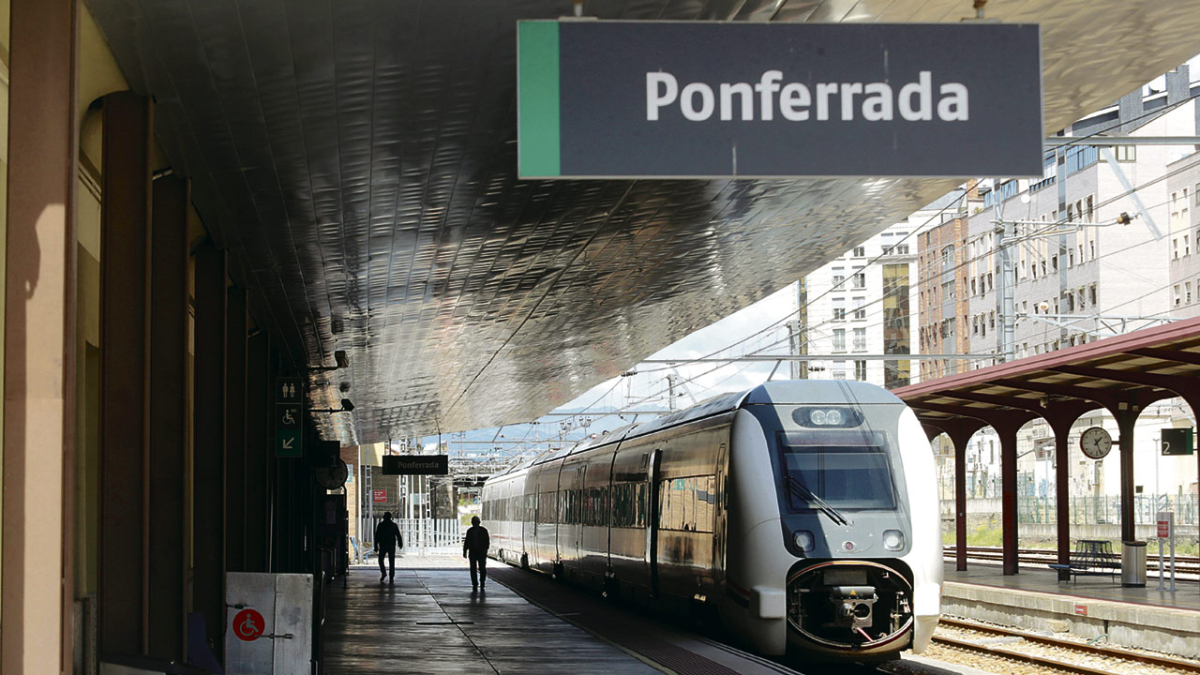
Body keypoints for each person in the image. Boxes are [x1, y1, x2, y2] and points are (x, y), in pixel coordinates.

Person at [463, 515, 490, 589]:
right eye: (474, 522)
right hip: (473, 552)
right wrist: (465, 551)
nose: (475, 524)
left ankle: (482, 582)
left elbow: (487, 541)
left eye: (476, 522)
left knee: (482, 568)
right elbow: (467, 542)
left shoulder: (483, 531)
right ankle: (475, 583)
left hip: (481, 552)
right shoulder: (470, 531)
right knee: (473, 568)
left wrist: (485, 549)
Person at [374, 512, 402, 583]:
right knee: (391, 561)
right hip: (391, 545)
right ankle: (391, 577)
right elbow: (398, 535)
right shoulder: (394, 525)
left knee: (380, 560)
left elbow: (377, 536)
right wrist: (400, 543)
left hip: (383, 545)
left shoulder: (381, 525)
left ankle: (383, 572)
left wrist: (376, 546)